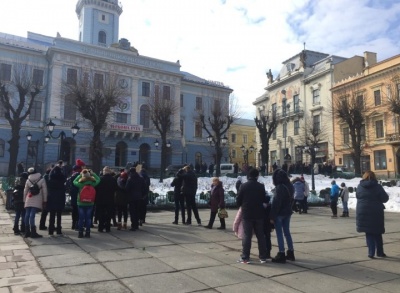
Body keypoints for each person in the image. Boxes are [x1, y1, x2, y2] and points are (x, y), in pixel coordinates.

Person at [236, 168, 268, 264]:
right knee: (260, 236)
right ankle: (263, 257)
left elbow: (238, 200)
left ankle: (245, 257)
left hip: (247, 213)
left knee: (247, 235)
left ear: (248, 176)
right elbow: (264, 199)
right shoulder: (261, 186)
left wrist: (242, 206)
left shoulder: (243, 186)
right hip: (259, 213)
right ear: (257, 176)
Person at [356, 171, 389, 258]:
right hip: (375, 212)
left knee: (369, 233)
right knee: (377, 232)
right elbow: (385, 198)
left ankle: (371, 253)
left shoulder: (360, 186)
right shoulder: (377, 187)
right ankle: (380, 252)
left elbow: (357, 196)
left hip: (363, 211)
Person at [270, 168, 295, 263]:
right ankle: (291, 252)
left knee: (279, 233)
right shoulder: (290, 186)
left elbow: (276, 203)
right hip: (288, 212)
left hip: (280, 213)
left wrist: (272, 216)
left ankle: (281, 253)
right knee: (287, 232)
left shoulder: (280, 187)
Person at [74, 169, 100, 238]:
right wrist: (93, 173)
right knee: (88, 219)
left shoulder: (80, 184)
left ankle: (80, 233)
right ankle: (88, 233)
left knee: (81, 219)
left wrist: (80, 175)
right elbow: (98, 180)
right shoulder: (92, 183)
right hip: (90, 203)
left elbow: (74, 181)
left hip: (81, 203)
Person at [23, 167, 48, 238]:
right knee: (32, 215)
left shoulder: (28, 180)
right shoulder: (42, 179)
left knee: (27, 214)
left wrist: (24, 200)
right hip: (37, 198)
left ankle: (27, 231)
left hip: (29, 197)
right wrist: (45, 200)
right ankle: (33, 232)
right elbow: (44, 191)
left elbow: (25, 191)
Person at [95, 166, 118, 232]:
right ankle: (108, 227)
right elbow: (116, 188)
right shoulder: (113, 179)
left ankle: (100, 227)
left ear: (104, 171)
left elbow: (96, 188)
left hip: (100, 199)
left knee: (101, 214)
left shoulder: (100, 179)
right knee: (108, 214)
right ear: (109, 171)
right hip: (110, 199)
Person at [47, 165, 66, 235]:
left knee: (52, 215)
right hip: (60, 198)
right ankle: (58, 230)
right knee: (59, 215)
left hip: (52, 198)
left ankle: (51, 230)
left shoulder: (50, 180)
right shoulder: (62, 179)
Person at [66, 164, 83, 230]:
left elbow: (67, 185)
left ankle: (73, 224)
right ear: (78, 169)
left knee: (74, 211)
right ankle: (77, 225)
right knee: (79, 211)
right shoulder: (80, 176)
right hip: (79, 195)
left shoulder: (71, 176)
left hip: (73, 195)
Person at [263, 194, 274, 259]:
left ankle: (263, 252)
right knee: (268, 238)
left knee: (262, 239)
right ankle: (268, 252)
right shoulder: (270, 207)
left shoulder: (261, 207)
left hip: (262, 224)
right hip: (268, 225)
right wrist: (272, 226)